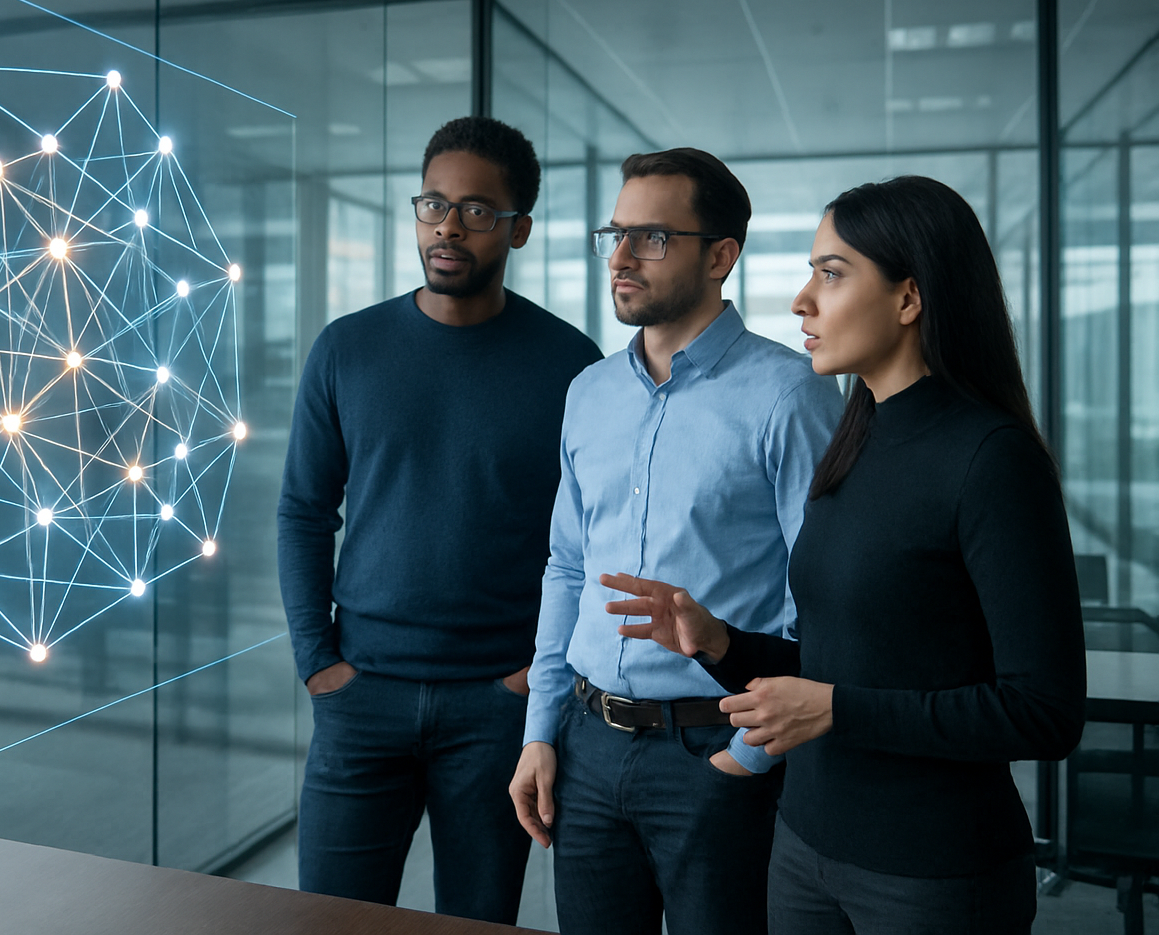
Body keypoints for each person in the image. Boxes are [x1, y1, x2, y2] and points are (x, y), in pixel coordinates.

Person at [603, 175, 1086, 935]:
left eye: (831, 273)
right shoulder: (855, 437)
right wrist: (722, 643)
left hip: (931, 871)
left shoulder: (992, 459)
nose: (803, 299)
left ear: (909, 298)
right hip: (804, 848)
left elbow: (1043, 713)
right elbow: (840, 663)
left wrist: (835, 709)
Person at [509, 148, 844, 935]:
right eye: (615, 233)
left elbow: (827, 598)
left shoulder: (788, 394)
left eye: (652, 237)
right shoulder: (588, 393)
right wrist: (541, 733)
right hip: (586, 747)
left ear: (721, 256)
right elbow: (567, 567)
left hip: (716, 752)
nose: (621, 258)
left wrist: (750, 759)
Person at [277, 116, 602, 924]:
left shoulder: (570, 366)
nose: (449, 226)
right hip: (360, 696)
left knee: (475, 920)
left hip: (497, 706)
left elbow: (596, 538)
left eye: (477, 210)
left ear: (518, 228)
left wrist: (538, 680)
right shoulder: (347, 349)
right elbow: (303, 510)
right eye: (434, 204)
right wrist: (319, 661)